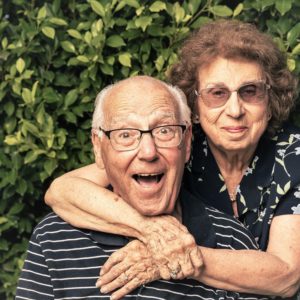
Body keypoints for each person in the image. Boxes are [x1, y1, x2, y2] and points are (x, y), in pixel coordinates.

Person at [45, 20, 300, 298]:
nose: (235, 109)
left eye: (250, 91)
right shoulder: (176, 144)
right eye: (217, 93)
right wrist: (152, 232)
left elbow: (286, 277)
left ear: (270, 99)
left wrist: (177, 256)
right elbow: (63, 191)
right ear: (195, 104)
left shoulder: (293, 156)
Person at [16, 76, 267, 300]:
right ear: (98, 147)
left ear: (187, 142)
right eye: (125, 134)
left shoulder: (233, 241)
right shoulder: (53, 238)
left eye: (165, 131)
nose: (148, 152)